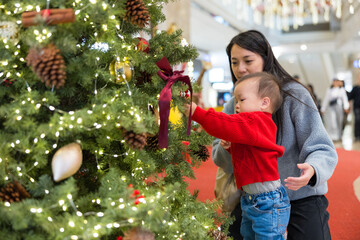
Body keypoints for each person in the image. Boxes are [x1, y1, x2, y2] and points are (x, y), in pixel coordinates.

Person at [212, 30, 338, 240]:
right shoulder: (234, 104)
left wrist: (313, 169)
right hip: (255, 200)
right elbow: (220, 157)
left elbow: (322, 147)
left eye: (248, 60)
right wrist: (228, 146)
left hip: (299, 193)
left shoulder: (293, 95)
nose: (240, 69)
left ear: (265, 58)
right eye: (234, 62)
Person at [186, 72, 290, 239]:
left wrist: (197, 113)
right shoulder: (252, 126)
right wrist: (230, 149)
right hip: (252, 198)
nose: (237, 105)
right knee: (247, 235)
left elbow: (224, 124)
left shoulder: (256, 120)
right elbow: (249, 156)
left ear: (264, 103)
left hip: (266, 200)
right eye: (236, 100)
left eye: (242, 100)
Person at [348, 73, 360, 141]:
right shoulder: (355, 88)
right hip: (357, 108)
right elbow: (349, 98)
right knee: (358, 120)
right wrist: (349, 107)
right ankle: (357, 136)